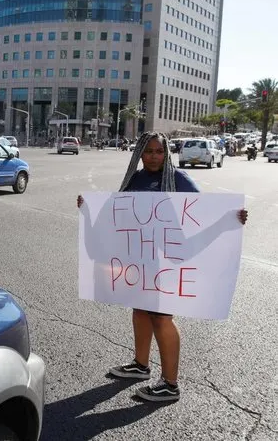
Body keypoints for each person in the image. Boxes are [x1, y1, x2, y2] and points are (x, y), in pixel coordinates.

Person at [77, 132, 248, 402]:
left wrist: (231, 218)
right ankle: (141, 365)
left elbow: (202, 212)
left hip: (168, 264)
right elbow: (116, 213)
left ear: (166, 153)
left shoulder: (179, 179)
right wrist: (88, 209)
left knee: (162, 318)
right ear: (140, 154)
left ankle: (170, 384)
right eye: (148, 151)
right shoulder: (134, 179)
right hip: (140, 262)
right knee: (141, 312)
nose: (154, 156)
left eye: (159, 151)